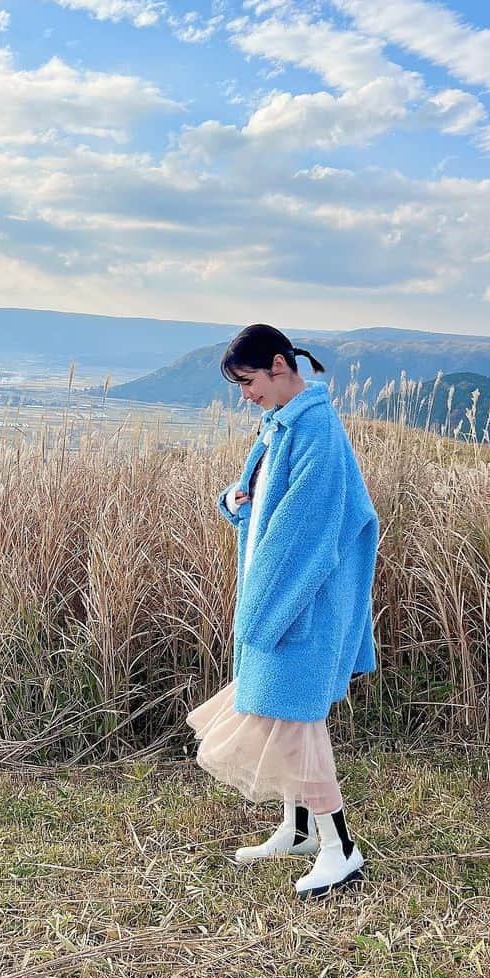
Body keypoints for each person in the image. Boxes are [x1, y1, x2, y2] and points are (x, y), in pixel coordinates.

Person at [186, 323, 381, 900]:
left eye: (248, 382)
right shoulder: (279, 425)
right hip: (283, 600)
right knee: (285, 713)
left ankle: (339, 848)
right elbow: (260, 500)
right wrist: (233, 502)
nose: (244, 395)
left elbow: (306, 534)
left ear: (279, 365)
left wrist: (259, 612)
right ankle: (298, 829)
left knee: (298, 722)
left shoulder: (316, 429)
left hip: (303, 605)